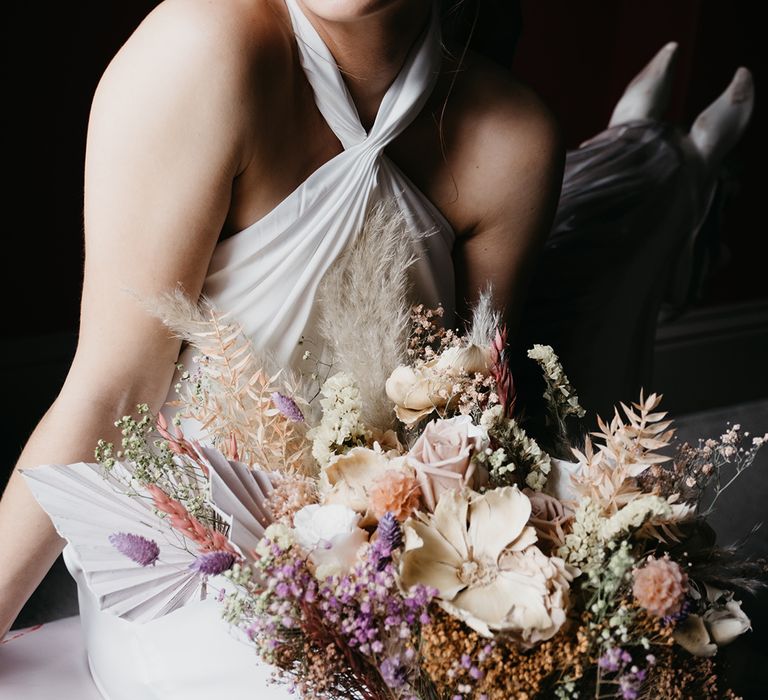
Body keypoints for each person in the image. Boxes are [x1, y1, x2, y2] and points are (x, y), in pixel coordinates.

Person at [0, 0, 563, 695]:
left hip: (377, 573)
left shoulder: (514, 142)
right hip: (190, 578)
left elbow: (465, 433)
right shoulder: (201, 49)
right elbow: (111, 392)